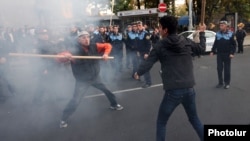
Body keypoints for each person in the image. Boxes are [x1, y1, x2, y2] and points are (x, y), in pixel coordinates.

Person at [134, 15, 204, 141]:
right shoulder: (186, 41)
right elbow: (200, 50)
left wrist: (138, 72)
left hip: (173, 92)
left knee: (161, 122)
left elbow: (148, 62)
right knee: (194, 119)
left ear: (165, 30)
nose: (159, 29)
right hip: (189, 89)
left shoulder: (160, 45)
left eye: (160, 27)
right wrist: (202, 34)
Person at [57, 31, 123, 128]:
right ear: (78, 39)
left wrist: (105, 54)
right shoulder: (73, 50)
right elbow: (59, 58)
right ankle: (63, 118)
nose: (86, 39)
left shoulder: (94, 46)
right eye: (83, 37)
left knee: (107, 90)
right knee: (76, 100)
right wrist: (64, 56)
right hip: (82, 80)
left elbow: (108, 45)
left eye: (88, 37)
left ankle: (114, 104)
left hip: (95, 77)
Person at [210, 20, 236, 89]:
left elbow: (233, 45)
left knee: (227, 69)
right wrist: (212, 51)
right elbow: (215, 43)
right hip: (219, 54)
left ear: (226, 26)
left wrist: (232, 53)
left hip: (227, 54)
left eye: (222, 25)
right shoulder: (218, 33)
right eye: (220, 25)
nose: (220, 26)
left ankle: (227, 83)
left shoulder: (231, 34)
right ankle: (220, 82)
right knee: (219, 69)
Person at [136, 21, 152, 88]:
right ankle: (144, 80)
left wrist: (147, 53)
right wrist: (137, 51)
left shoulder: (146, 34)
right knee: (141, 66)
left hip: (145, 53)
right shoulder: (138, 33)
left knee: (145, 68)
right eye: (138, 25)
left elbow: (148, 44)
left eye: (140, 25)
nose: (138, 26)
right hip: (140, 53)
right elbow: (137, 44)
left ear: (142, 26)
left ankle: (148, 82)